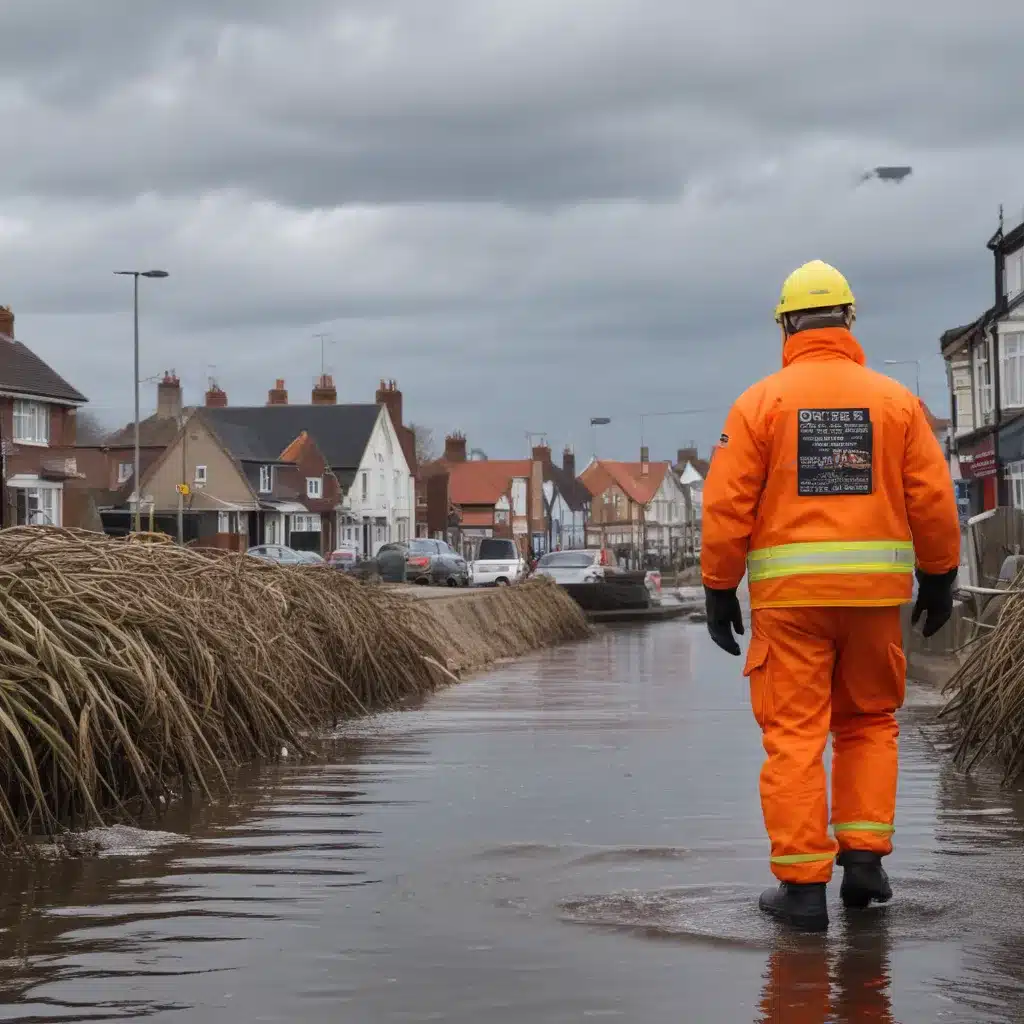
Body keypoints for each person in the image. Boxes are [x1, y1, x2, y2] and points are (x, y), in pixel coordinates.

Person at [701, 259, 961, 931]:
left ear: (785, 325)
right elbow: (932, 498)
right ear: (849, 319)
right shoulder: (896, 403)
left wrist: (718, 588)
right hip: (875, 601)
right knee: (869, 722)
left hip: (790, 606)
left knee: (794, 736)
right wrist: (939, 576)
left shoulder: (760, 404)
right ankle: (866, 861)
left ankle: (802, 889)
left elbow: (727, 506)